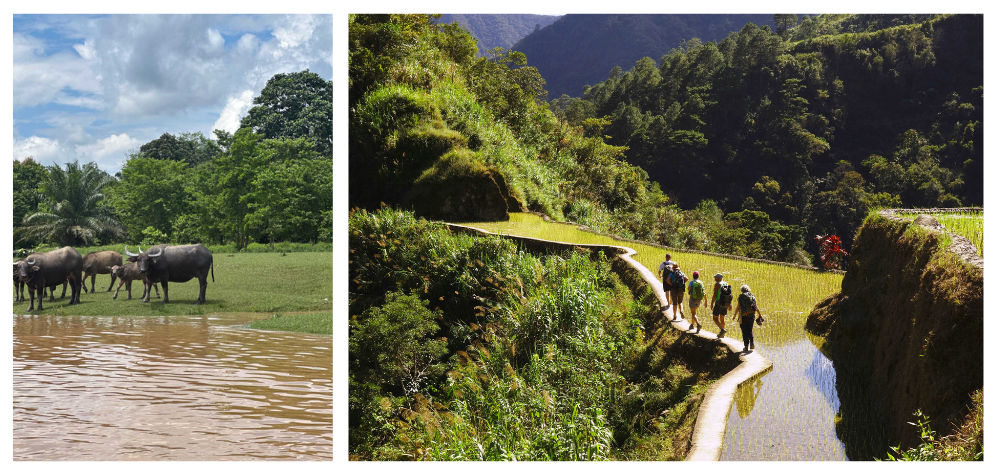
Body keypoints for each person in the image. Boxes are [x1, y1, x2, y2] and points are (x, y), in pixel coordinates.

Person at [733, 284, 765, 353]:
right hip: (751, 315)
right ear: (748, 289)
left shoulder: (741, 297)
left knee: (744, 331)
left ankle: (746, 346)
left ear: (742, 290)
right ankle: (752, 343)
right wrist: (760, 315)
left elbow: (738, 307)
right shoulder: (752, 296)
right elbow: (756, 307)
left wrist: (735, 315)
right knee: (750, 329)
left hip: (743, 315)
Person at [711, 273, 732, 338]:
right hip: (725, 303)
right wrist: (729, 304)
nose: (714, 278)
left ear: (718, 278)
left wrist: (711, 303)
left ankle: (722, 330)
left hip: (718, 303)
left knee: (715, 318)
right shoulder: (726, 283)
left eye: (715, 277)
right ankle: (722, 334)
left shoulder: (717, 284)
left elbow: (715, 295)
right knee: (722, 318)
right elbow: (729, 295)